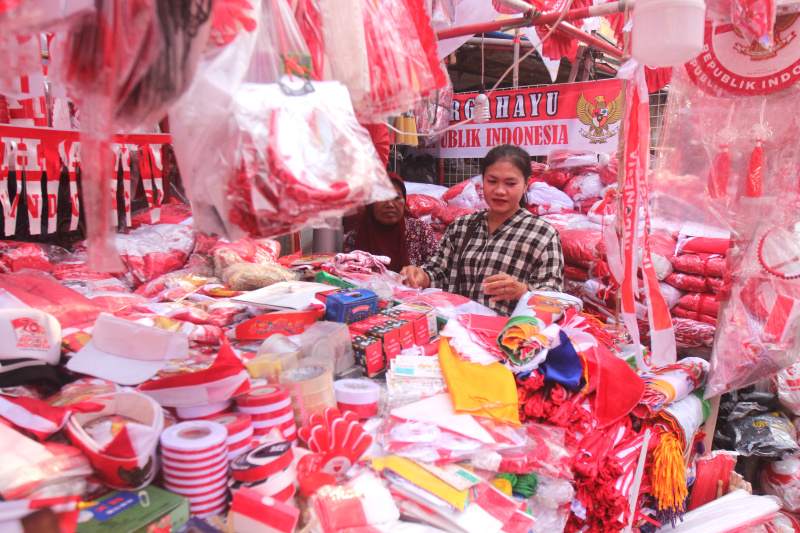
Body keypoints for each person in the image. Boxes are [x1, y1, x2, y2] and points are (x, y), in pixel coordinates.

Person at [400, 144, 564, 316]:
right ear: (482, 181)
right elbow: (438, 271)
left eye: (511, 183)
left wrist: (523, 291)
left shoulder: (543, 235)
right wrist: (420, 275)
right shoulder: (463, 226)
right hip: (458, 331)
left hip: (507, 335)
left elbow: (552, 298)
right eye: (492, 181)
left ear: (525, 185)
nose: (500, 191)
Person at [343, 172, 439, 272]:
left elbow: (436, 272)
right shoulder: (354, 239)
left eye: (397, 198)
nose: (390, 204)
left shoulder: (421, 232)